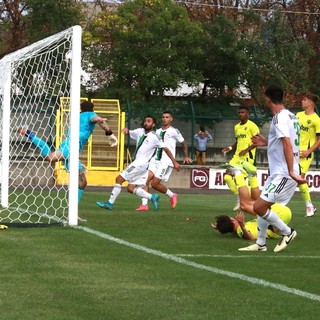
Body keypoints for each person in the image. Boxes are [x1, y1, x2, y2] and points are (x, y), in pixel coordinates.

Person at [229, 84, 305, 253]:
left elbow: (286, 143)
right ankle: (261, 243)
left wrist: (291, 171)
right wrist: (265, 142)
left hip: (284, 173)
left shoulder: (279, 117)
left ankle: (288, 232)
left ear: (267, 99)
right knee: (262, 206)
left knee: (258, 208)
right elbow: (286, 142)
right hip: (281, 171)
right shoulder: (292, 116)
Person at [18, 101, 117, 215]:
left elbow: (97, 122)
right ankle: (29, 133)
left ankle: (73, 213)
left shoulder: (78, 117)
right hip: (70, 147)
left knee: (82, 182)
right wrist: (109, 133)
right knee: (50, 158)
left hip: (72, 150)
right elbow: (97, 119)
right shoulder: (90, 114)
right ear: (92, 109)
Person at [96, 115, 181, 211]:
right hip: (139, 165)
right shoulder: (139, 131)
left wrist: (174, 162)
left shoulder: (155, 137)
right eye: (145, 121)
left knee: (119, 179)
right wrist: (125, 130)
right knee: (130, 188)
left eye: (149, 121)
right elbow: (129, 132)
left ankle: (110, 203)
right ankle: (152, 197)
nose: (146, 123)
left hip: (140, 165)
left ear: (153, 124)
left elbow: (166, 149)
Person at [135, 111, 193, 211]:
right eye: (163, 117)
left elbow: (184, 143)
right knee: (144, 181)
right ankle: (144, 205)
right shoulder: (156, 131)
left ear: (171, 119)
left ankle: (172, 195)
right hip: (155, 160)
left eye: (167, 117)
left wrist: (186, 156)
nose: (164, 119)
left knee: (154, 184)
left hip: (166, 161)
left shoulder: (174, 131)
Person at [221, 107, 260, 210]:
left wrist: (246, 150)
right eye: (239, 113)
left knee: (240, 179)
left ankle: (247, 201)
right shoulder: (237, 127)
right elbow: (237, 141)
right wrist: (229, 148)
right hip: (236, 156)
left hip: (247, 158)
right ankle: (240, 197)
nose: (240, 114)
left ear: (248, 114)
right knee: (227, 177)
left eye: (243, 112)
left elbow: (258, 141)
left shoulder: (252, 126)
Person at [211, 204, 292, 241]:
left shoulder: (237, 230)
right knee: (251, 206)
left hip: (280, 215)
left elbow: (233, 230)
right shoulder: (240, 230)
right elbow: (250, 238)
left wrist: (220, 227)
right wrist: (242, 225)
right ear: (232, 220)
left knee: (257, 209)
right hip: (280, 214)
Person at [296, 93, 320, 217]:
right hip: (294, 152)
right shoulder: (298, 115)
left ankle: (309, 206)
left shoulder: (316, 119)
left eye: (304, 100)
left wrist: (308, 151)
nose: (302, 101)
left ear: (310, 102)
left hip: (305, 154)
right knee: (294, 179)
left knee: (299, 178)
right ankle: (311, 206)